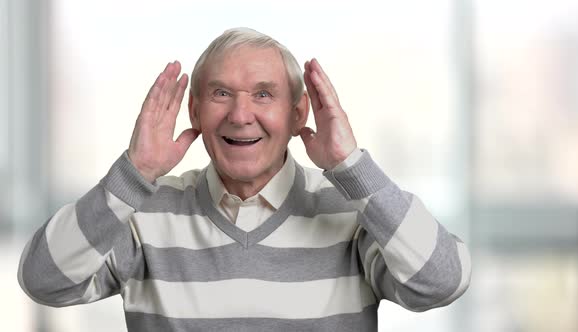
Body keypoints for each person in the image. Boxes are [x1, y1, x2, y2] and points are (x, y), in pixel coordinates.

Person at [18, 27, 471, 331]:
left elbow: (443, 282)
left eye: (263, 94)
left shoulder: (351, 213)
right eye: (220, 94)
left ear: (297, 114)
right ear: (194, 112)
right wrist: (133, 176)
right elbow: (43, 280)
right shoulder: (145, 213)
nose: (240, 115)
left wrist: (352, 167)